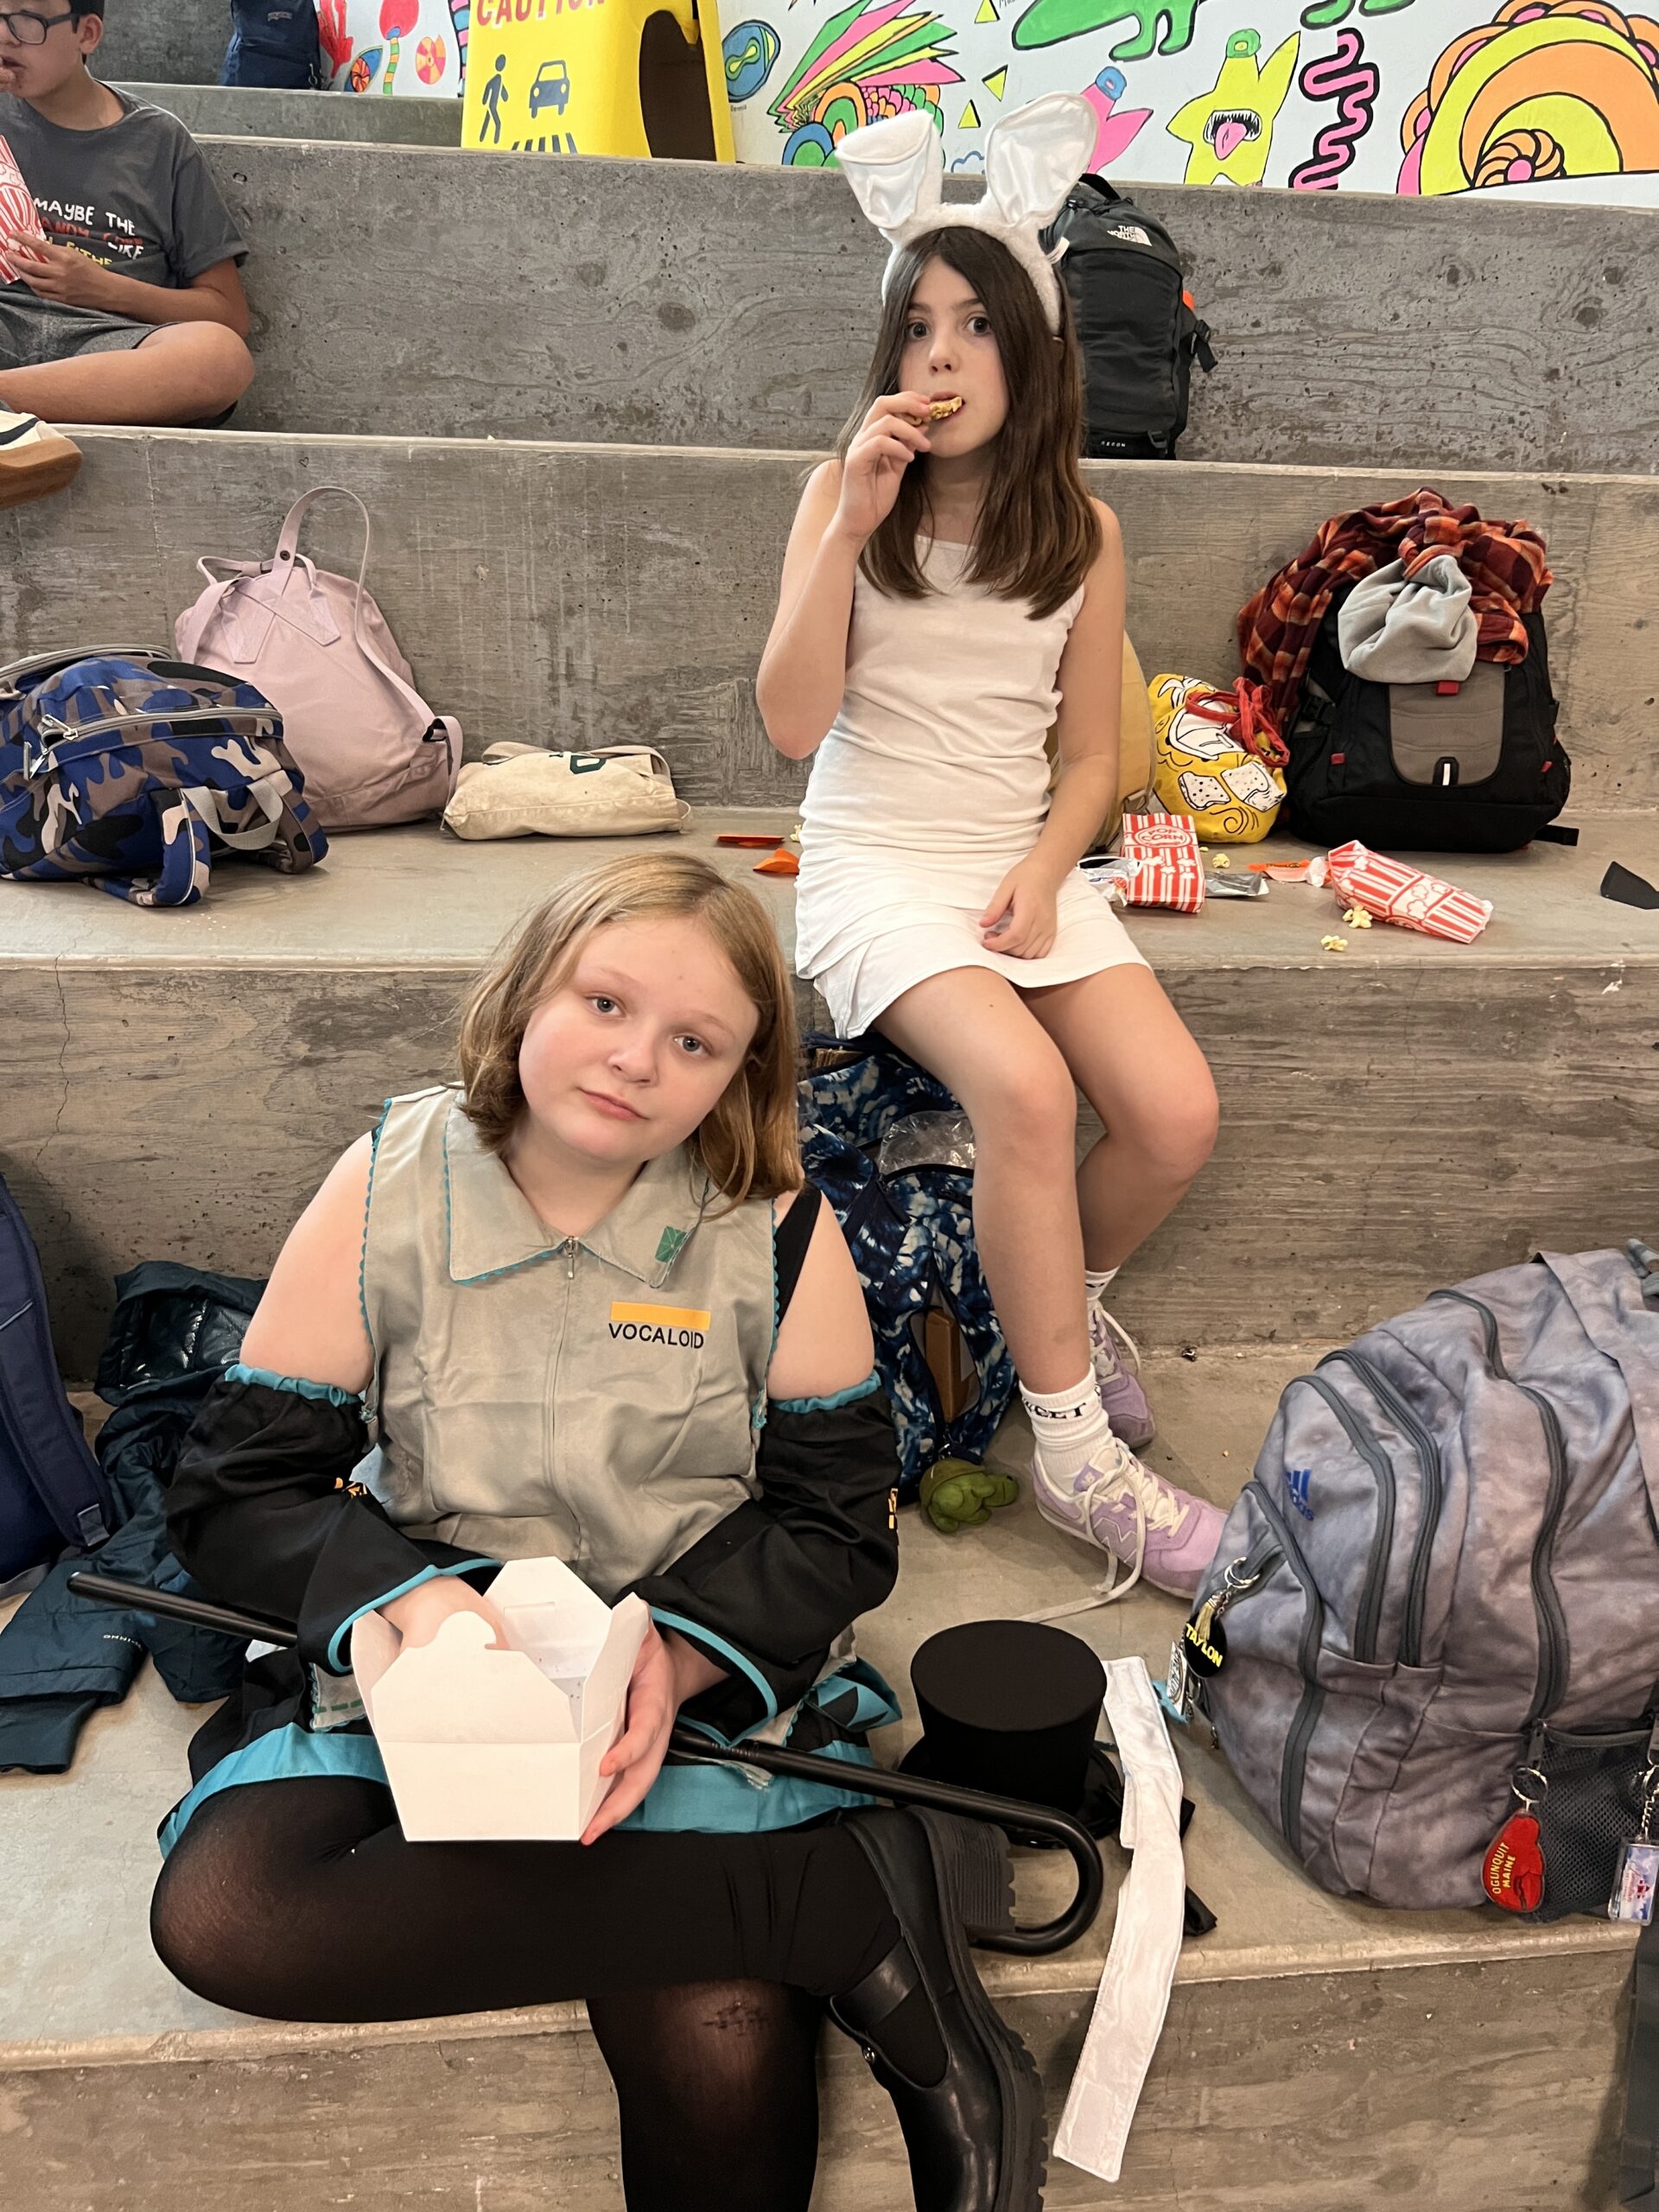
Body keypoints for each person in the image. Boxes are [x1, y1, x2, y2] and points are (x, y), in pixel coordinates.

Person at [149, 853, 1048, 2212]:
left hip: (691, 1686)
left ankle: (790, 1897)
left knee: (721, 2035)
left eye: (696, 1042)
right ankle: (835, 1902)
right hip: (420, 1668)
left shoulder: (780, 1229)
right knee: (232, 1920)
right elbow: (235, 1492)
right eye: (607, 1003)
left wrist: (678, 1658)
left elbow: (833, 1527)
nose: (639, 1062)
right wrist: (412, 1599)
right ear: (524, 994)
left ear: (741, 1077)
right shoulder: (390, 1179)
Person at [756, 96, 1224, 1604]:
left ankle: (1058, 1318)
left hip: (1011, 862)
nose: (941, 357)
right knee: (1023, 1085)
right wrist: (849, 524)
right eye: (917, 327)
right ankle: (1080, 1458)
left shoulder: (1080, 530)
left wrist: (1047, 861)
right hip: (876, 862)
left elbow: (1094, 755)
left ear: (1034, 352)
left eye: (975, 325)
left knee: (1172, 1115)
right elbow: (788, 723)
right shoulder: (844, 500)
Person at [0, 0, 255, 435]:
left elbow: (229, 313)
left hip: (107, 346)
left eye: (28, 21)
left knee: (220, 358)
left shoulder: (159, 141)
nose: (5, 36)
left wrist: (102, 288)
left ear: (87, 34)